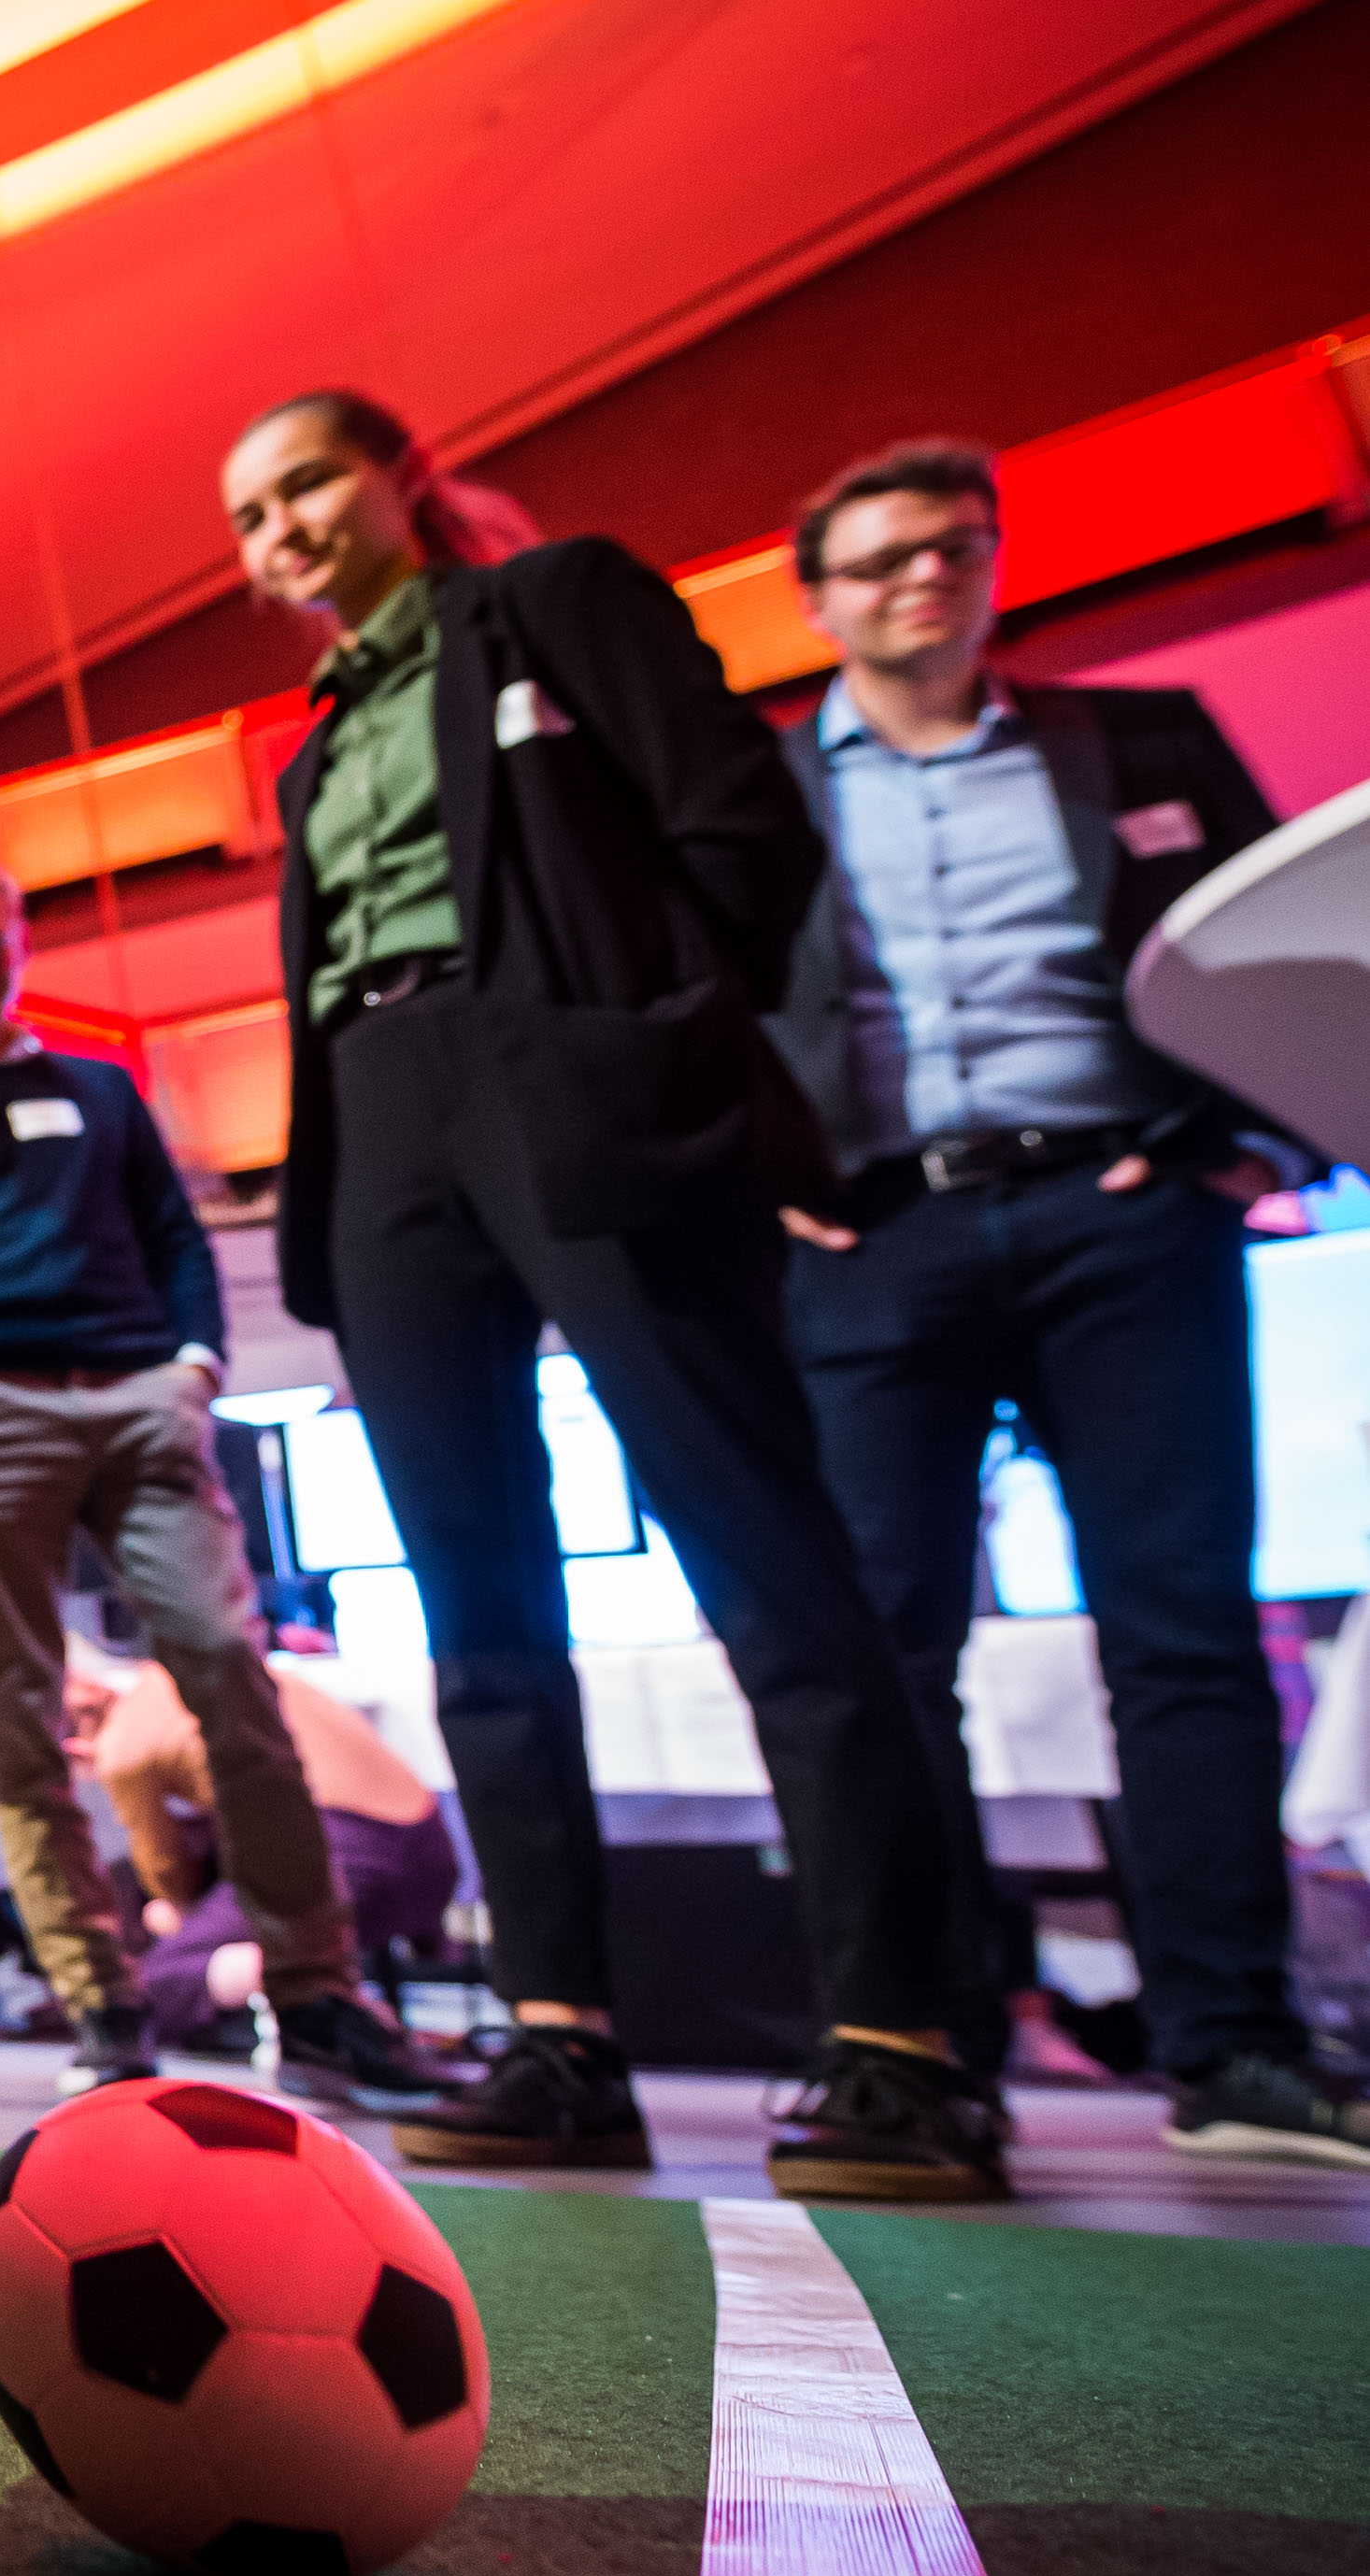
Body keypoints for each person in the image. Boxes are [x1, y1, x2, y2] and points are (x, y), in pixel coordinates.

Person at [221, 388, 1004, 2199]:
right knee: (478, 1605)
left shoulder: (555, 600)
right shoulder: (310, 755)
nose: (281, 532)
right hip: (385, 1129)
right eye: (250, 519)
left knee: (765, 1553)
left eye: (307, 482)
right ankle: (560, 2032)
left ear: (400, 475)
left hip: (585, 1085)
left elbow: (745, 835)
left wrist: (664, 1049)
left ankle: (904, 2040)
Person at [764, 439, 1363, 2169]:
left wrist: (1241, 1150)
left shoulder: (1141, 739)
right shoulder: (752, 792)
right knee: (888, 1651)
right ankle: (927, 2050)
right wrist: (760, 1187)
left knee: (1182, 1634)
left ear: (992, 563)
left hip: (1123, 1214)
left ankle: (1232, 2046)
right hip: (878, 1236)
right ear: (817, 601)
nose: (921, 578)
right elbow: (697, 1004)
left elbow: (1265, 948)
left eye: (952, 546)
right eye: (881, 558)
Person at [0, 854, 445, 2110]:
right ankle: (100, 1999)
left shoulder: (100, 1091)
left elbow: (175, 1235)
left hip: (138, 1401)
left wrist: (194, 1363)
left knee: (228, 1669)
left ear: (18, 945)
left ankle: (315, 1992)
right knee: (24, 1716)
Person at [64, 1650, 463, 2054]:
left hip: (345, 1859)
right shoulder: (189, 1667)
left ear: (73, 1746)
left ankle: (337, 2002)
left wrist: (178, 1916)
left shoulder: (121, 1748)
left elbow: (166, 1875)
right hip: (431, 1857)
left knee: (158, 1985)